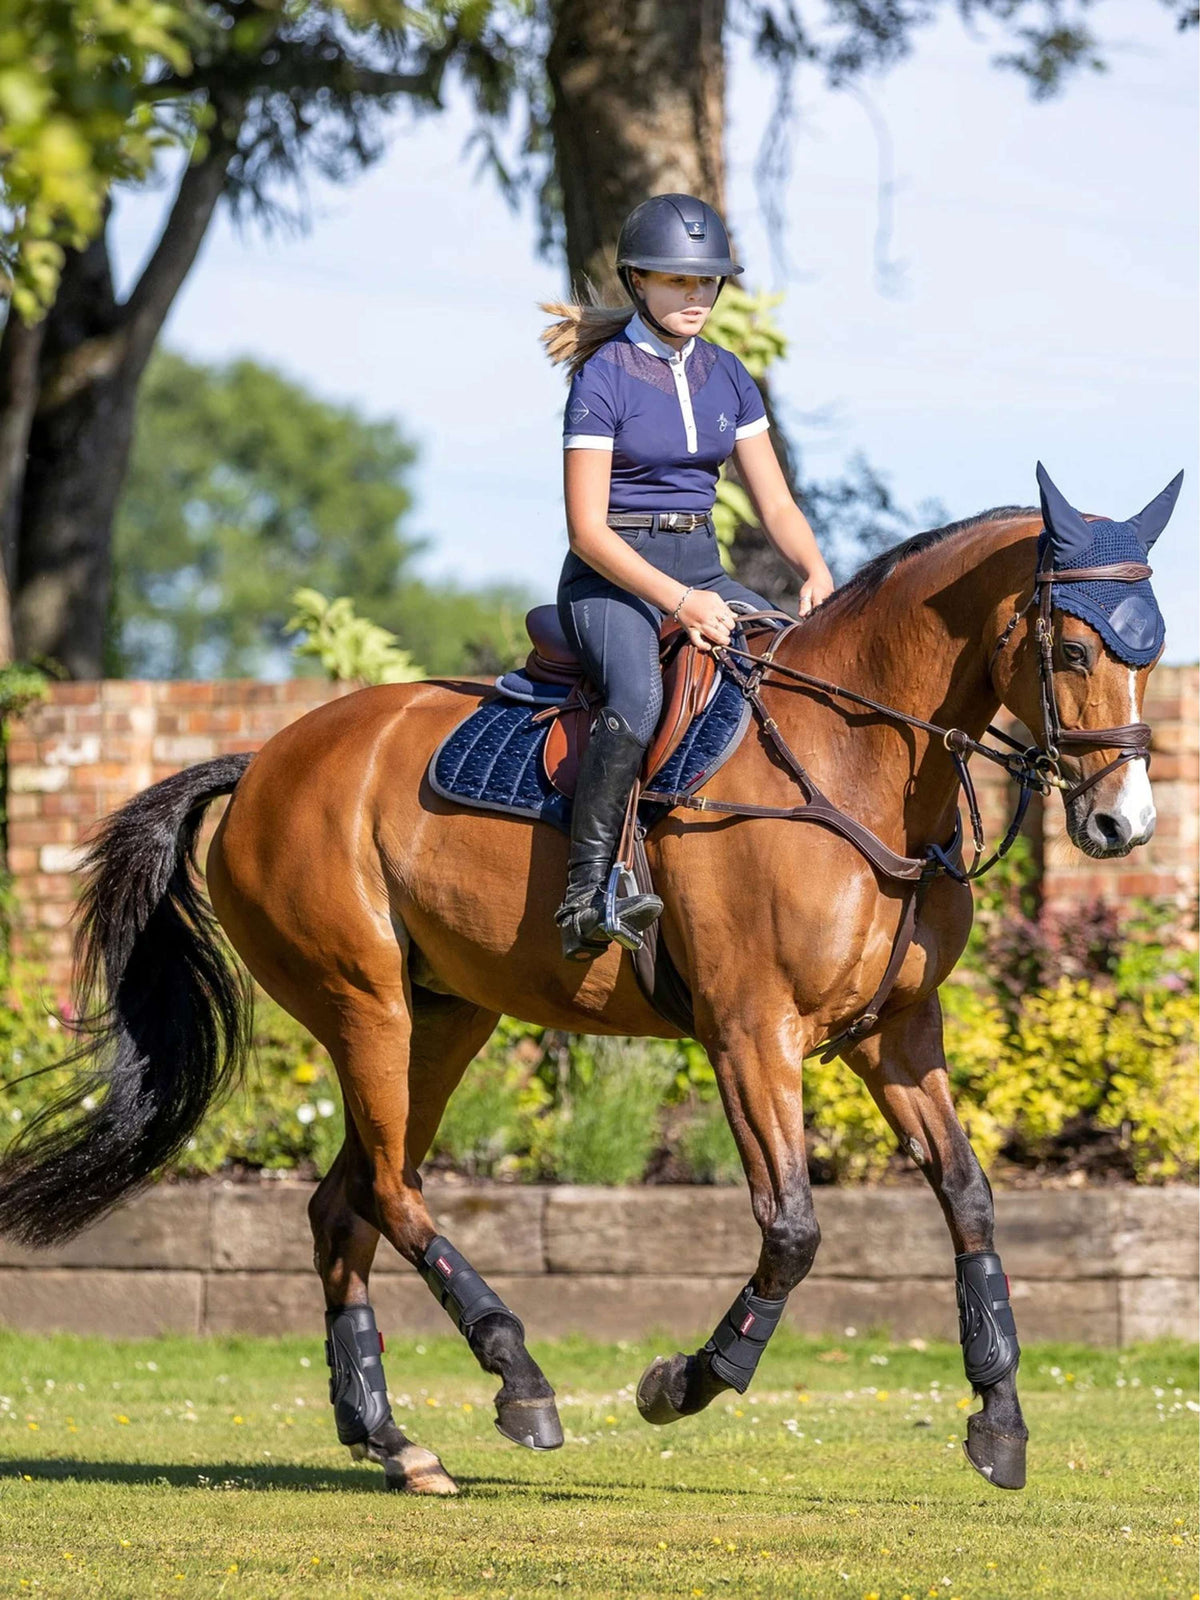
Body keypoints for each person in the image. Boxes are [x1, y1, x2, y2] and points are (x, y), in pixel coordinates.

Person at [541, 192, 835, 962]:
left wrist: (813, 567)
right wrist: (678, 601)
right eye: (679, 282)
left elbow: (774, 500)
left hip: (704, 566)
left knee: (794, 671)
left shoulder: (729, 376)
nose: (697, 297)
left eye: (708, 283)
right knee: (636, 701)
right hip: (614, 580)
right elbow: (587, 530)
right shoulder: (602, 379)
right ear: (638, 279)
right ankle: (586, 894)